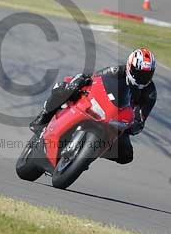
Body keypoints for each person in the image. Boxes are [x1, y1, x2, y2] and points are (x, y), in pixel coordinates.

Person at [29, 48, 157, 164]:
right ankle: (43, 117)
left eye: (147, 74)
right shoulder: (117, 71)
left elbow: (141, 118)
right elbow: (95, 79)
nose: (142, 78)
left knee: (126, 155)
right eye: (139, 73)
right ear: (130, 66)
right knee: (70, 86)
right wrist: (81, 82)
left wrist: (134, 125)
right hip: (102, 105)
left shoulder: (150, 93)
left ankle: (88, 153)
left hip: (118, 120)